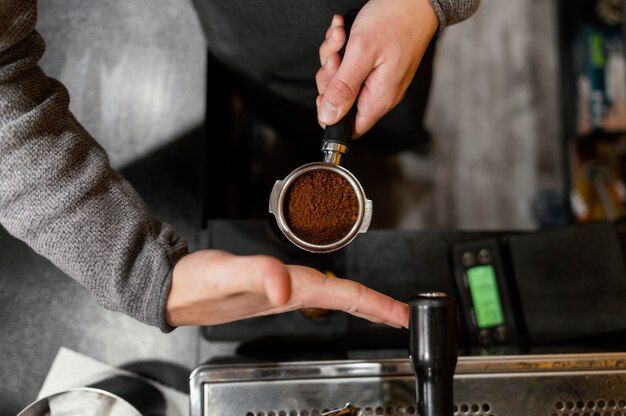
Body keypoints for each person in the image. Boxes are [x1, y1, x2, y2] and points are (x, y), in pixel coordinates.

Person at [0, 0, 479, 333]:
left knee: (392, 119)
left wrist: (426, 5)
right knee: (282, 101)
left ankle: (398, 143)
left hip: (393, 24)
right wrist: (139, 274)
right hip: (248, 33)